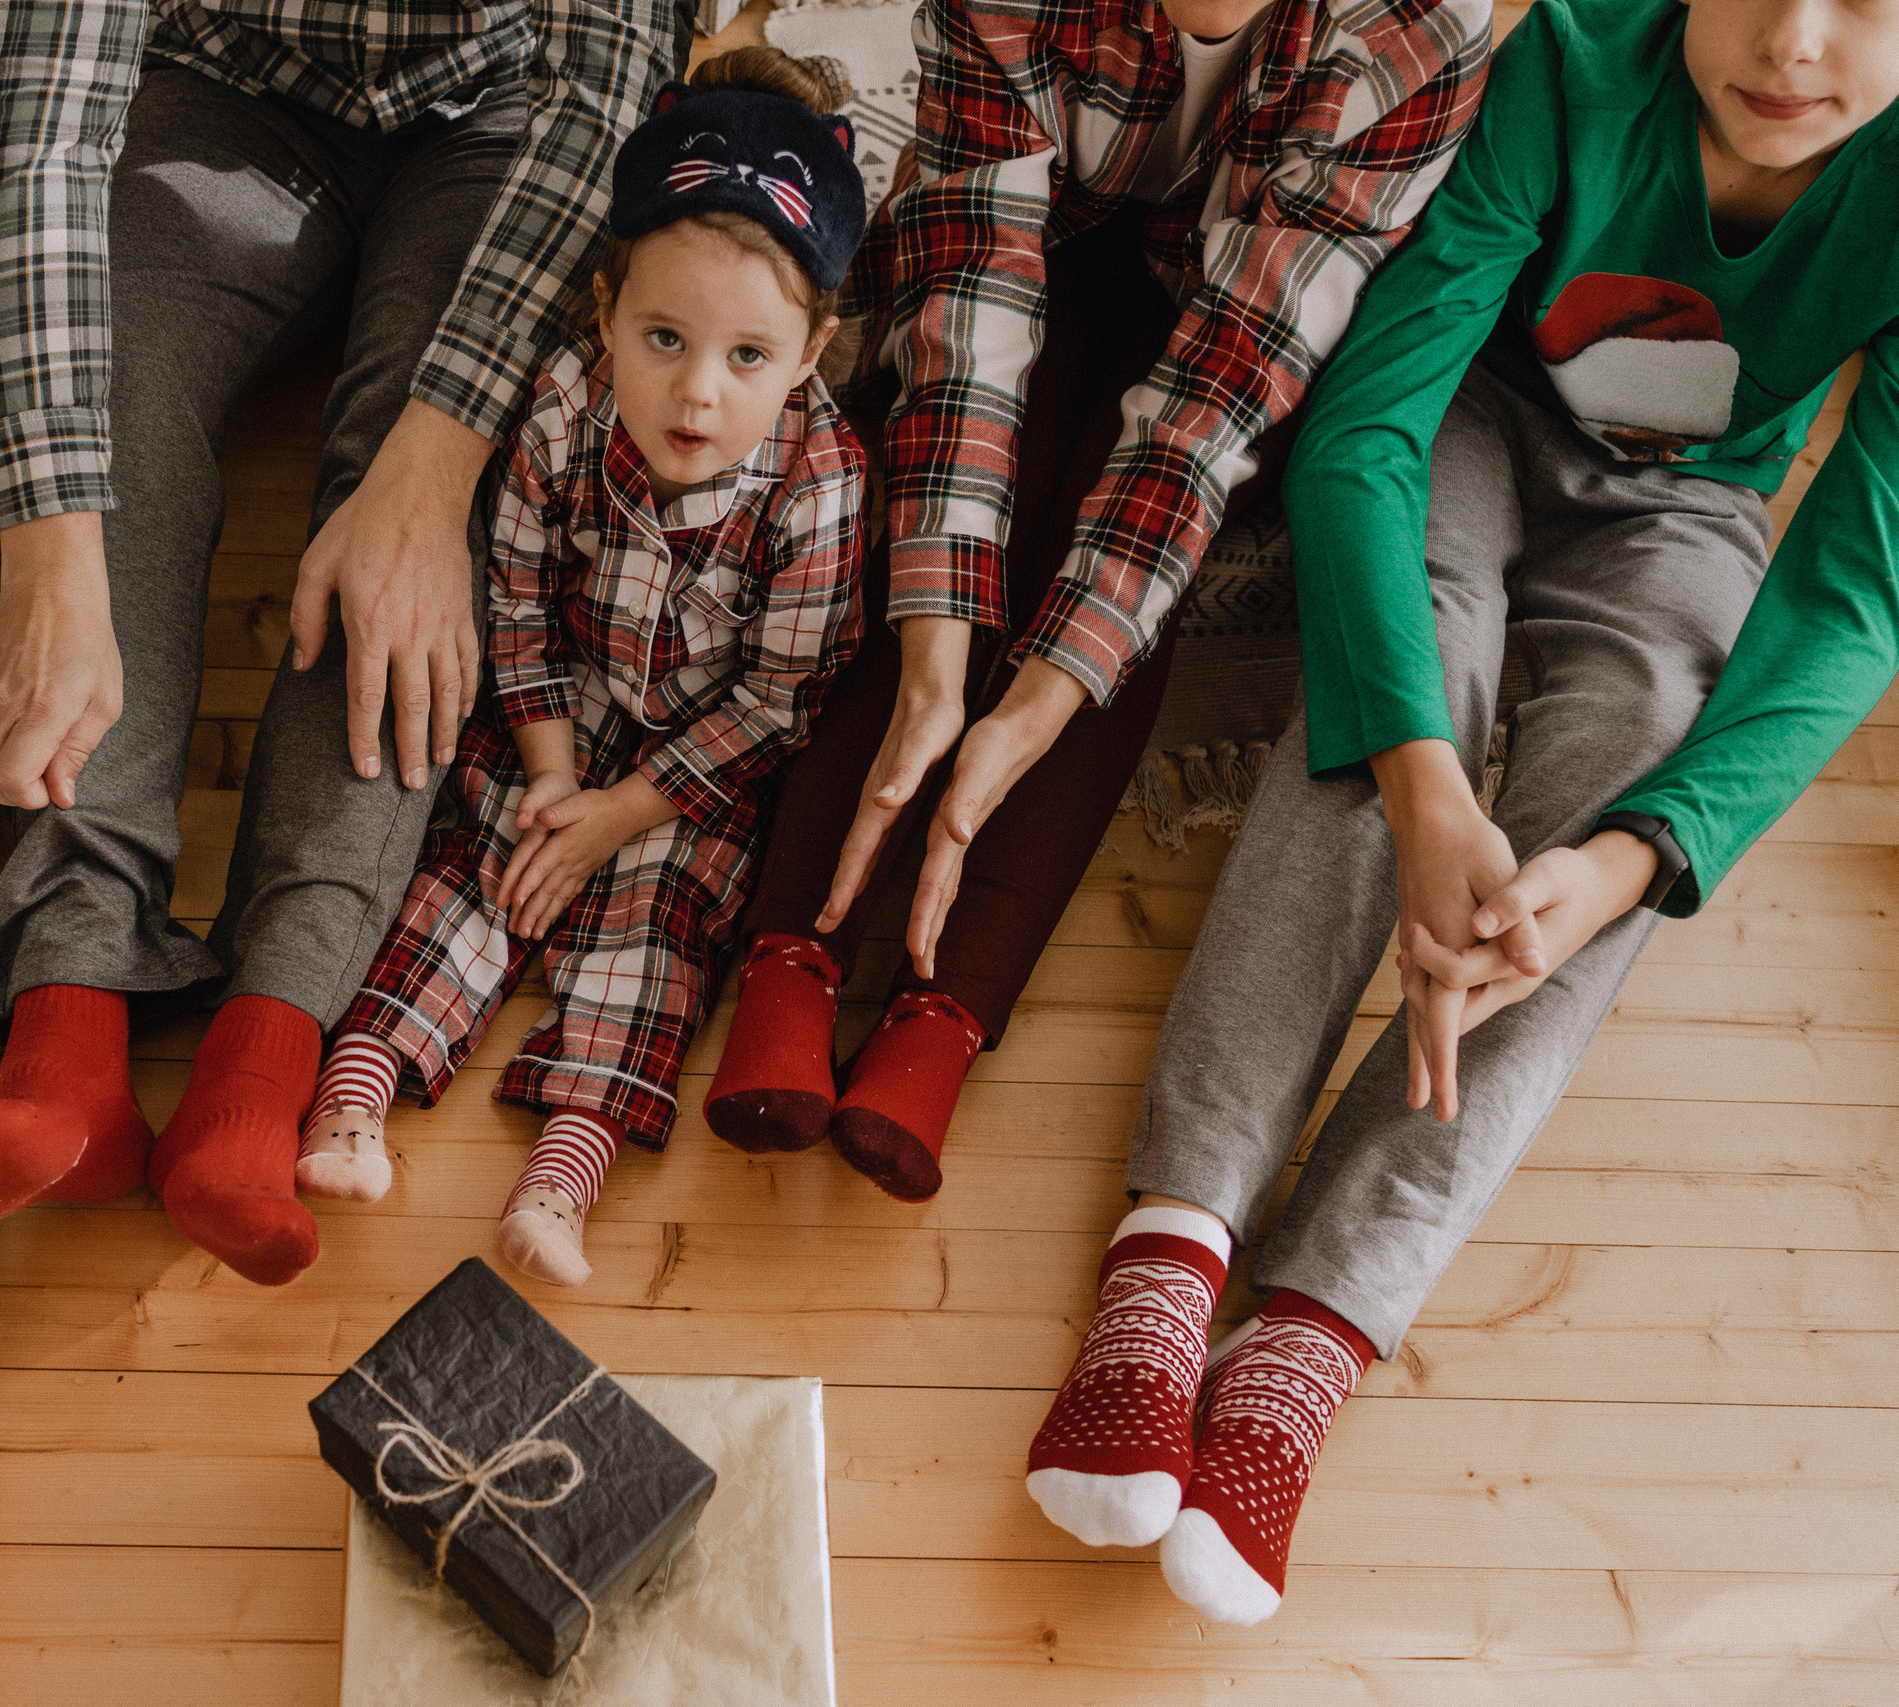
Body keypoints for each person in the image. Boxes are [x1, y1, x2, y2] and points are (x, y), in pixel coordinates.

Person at [1027, 0, 1899, 1628]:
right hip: (1472, 413)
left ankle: (1319, 1323)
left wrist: (1627, 859)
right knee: (1399, 685)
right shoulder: (1569, 56)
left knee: (1633, 772)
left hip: (1696, 502)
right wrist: (1430, 778)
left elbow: (1858, 587)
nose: (1795, 40)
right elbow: (1369, 420)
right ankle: (1178, 1234)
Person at [0, 0, 695, 1289]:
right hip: (216, 79)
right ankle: (69, 1018)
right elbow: (36, 142)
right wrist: (49, 541)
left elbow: (603, 96)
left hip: (508, 112)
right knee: (104, 404)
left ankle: (262, 1058)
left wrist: (434, 474)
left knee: (438, 513)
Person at [701, 0, 1494, 1203]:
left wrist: (1038, 693)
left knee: (1122, 589)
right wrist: (934, 657)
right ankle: (789, 952)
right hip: (1040, 229)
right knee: (959, 500)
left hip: (1241, 299)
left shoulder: (1423, 25)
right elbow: (970, 303)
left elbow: (1222, 387)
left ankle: (944, 1013)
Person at [292, 50, 870, 1286]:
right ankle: (358, 1090)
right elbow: (513, 594)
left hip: (685, 770)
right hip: (557, 708)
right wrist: (554, 776)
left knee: (655, 936)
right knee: (470, 865)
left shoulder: (820, 488)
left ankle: (565, 1167)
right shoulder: (562, 411)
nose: (697, 395)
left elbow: (779, 699)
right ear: (605, 308)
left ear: (811, 352)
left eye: (747, 360)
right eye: (662, 338)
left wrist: (615, 813)